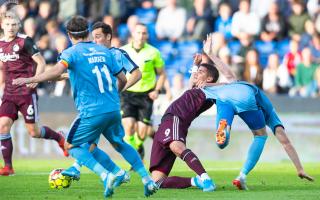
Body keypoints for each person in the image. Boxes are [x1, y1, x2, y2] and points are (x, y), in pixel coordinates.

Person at [13, 16, 157, 198]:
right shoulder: (106, 52)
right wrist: (113, 95)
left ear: (69, 35)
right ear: (88, 32)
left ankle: (106, 175)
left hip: (91, 110)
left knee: (71, 146)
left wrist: (31, 79)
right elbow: (122, 78)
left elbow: (58, 70)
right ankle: (146, 180)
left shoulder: (71, 53)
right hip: (113, 108)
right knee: (118, 143)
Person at [201, 34, 314, 190]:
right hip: (246, 97)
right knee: (261, 135)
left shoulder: (230, 83)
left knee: (221, 143)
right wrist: (299, 168)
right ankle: (242, 176)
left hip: (223, 95)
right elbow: (285, 142)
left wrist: (210, 55)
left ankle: (224, 128)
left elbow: (228, 73)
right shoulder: (268, 109)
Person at [61, 21, 145, 183]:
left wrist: (118, 90)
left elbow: (136, 74)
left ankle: (82, 168)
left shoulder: (117, 54)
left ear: (108, 37)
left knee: (90, 142)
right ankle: (117, 173)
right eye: (93, 37)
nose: (95, 40)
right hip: (97, 103)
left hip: (107, 103)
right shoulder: (91, 55)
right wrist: (64, 76)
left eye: (98, 37)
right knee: (90, 144)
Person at [0, 11, 67, 176]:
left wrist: (36, 79)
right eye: (8, 24)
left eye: (14, 24)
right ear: (2, 25)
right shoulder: (0, 44)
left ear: (18, 25)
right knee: (2, 126)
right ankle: (8, 167)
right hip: (9, 93)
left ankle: (59, 138)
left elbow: (41, 62)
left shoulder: (25, 41)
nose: (11, 27)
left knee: (34, 132)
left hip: (26, 92)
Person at [121, 23, 166, 159]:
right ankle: (134, 157)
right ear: (133, 34)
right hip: (127, 93)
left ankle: (138, 147)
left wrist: (157, 90)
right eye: (138, 32)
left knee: (142, 133)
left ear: (147, 35)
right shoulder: (122, 51)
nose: (141, 36)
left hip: (146, 95)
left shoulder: (154, 52)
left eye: (144, 33)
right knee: (128, 127)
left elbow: (162, 74)